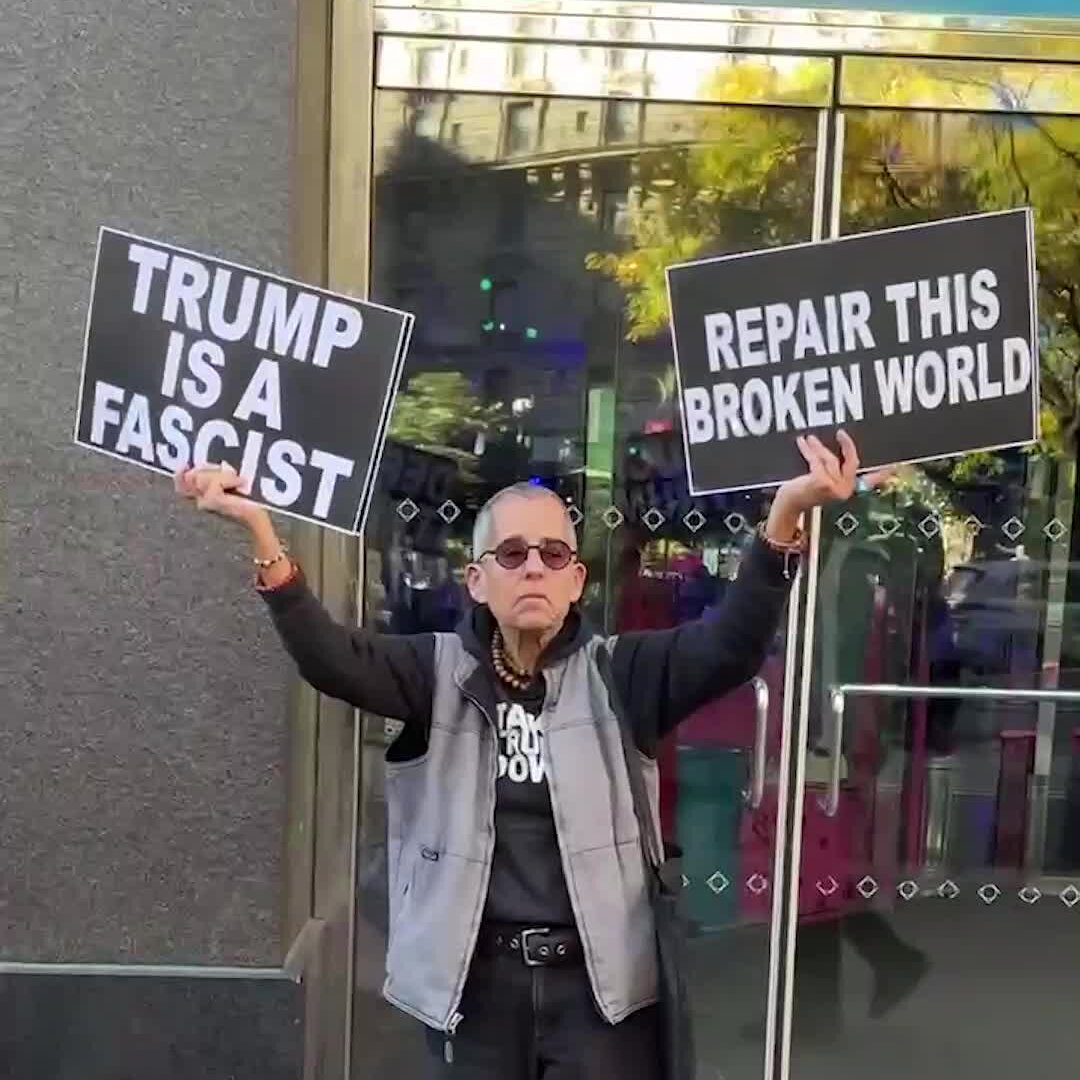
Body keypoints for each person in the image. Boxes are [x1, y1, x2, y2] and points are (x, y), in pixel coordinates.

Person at [176, 431, 866, 1079]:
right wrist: (262, 533)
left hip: (600, 994)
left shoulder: (619, 674)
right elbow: (332, 659)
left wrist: (784, 517)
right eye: (511, 554)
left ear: (576, 583)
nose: (533, 566)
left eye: (553, 555)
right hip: (475, 991)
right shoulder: (434, 672)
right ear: (477, 581)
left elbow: (729, 647)